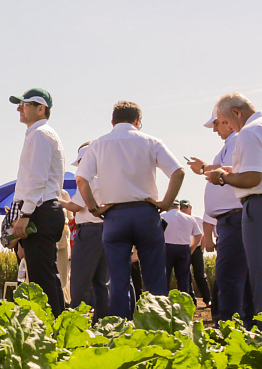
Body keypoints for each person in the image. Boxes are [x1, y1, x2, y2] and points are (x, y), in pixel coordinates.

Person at [76, 101, 183, 319]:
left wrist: (94, 208)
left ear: (112, 122)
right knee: (154, 277)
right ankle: (157, 326)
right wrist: (164, 203)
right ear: (138, 121)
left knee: (118, 279)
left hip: (115, 216)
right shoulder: (151, 142)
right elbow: (178, 172)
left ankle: (120, 328)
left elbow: (81, 179)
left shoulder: (98, 144)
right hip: (146, 212)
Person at [204, 93, 262, 317]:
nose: (230, 128)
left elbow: (252, 178)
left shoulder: (250, 131)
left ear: (237, 113)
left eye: (226, 122)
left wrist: (222, 177)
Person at [8, 88, 67, 317]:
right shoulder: (39, 134)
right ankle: (58, 327)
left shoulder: (40, 134)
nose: (19, 108)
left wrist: (25, 214)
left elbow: (37, 178)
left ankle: (51, 329)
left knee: (42, 278)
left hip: (40, 210)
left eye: (25, 104)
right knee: (46, 274)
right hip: (44, 208)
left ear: (41, 109)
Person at [188, 109, 250, 322]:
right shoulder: (232, 142)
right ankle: (243, 323)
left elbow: (234, 169)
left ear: (230, 123)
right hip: (232, 218)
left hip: (235, 217)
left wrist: (204, 167)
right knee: (238, 275)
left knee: (229, 275)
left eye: (217, 123)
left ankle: (230, 325)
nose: (214, 129)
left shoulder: (237, 139)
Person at [60, 142, 108, 320]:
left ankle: (76, 322)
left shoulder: (88, 179)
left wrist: (59, 201)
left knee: (80, 280)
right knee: (101, 282)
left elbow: (77, 206)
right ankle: (102, 321)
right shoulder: (107, 178)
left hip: (89, 232)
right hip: (105, 230)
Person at [162, 201, 202, 294]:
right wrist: (192, 248)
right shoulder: (189, 218)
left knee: (165, 277)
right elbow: (198, 235)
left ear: (169, 207)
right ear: (179, 207)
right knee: (183, 279)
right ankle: (184, 304)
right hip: (183, 248)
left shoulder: (163, 217)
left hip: (166, 248)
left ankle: (163, 301)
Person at [178, 200, 212, 305]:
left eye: (186, 206)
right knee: (187, 276)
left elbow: (203, 235)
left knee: (200, 275)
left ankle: (208, 299)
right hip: (184, 249)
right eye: (182, 207)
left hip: (196, 250)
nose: (183, 209)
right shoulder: (178, 220)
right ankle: (192, 301)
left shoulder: (198, 220)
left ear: (190, 208)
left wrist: (201, 248)